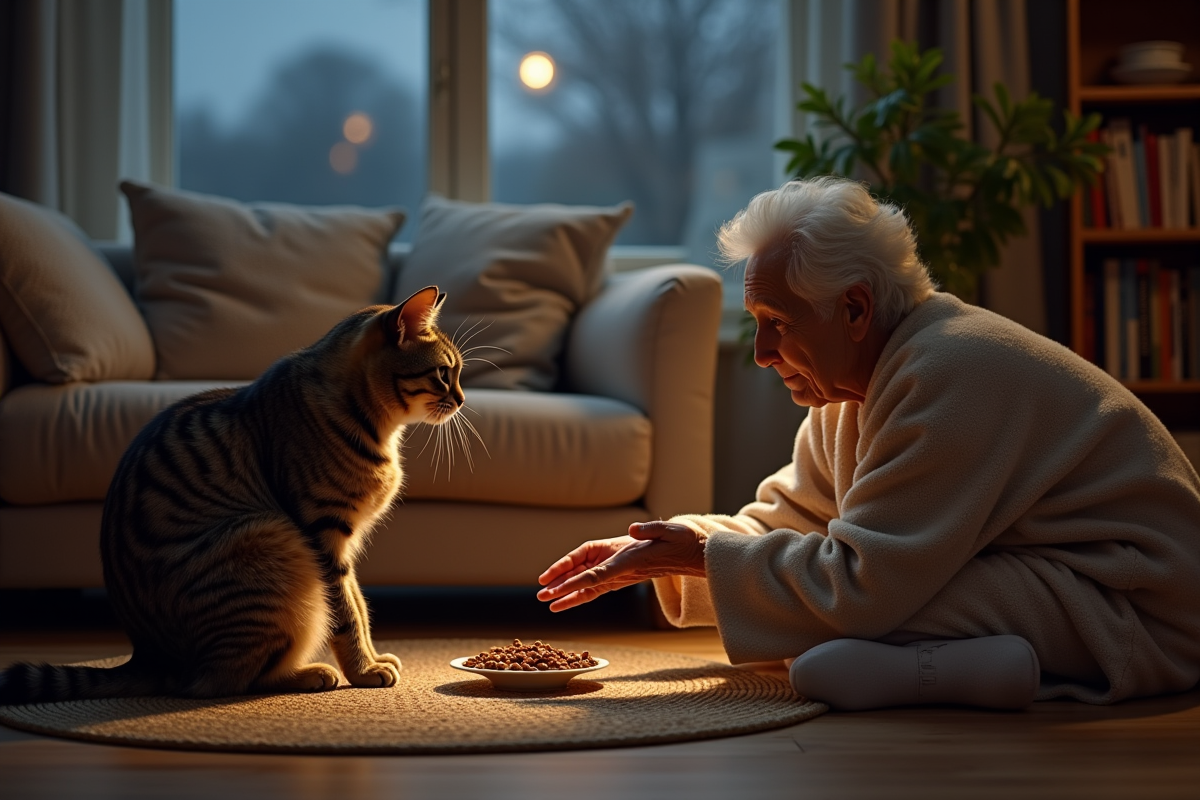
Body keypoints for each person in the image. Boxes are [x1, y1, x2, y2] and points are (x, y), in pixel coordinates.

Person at [537, 176, 1200, 710]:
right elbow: (790, 522)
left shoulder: (947, 369)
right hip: (1060, 580)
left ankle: (960, 671)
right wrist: (668, 545)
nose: (761, 352)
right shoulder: (854, 392)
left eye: (778, 322)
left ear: (854, 309)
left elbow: (863, 581)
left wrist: (703, 558)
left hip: (1137, 609)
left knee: (857, 608)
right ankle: (975, 668)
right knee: (826, 611)